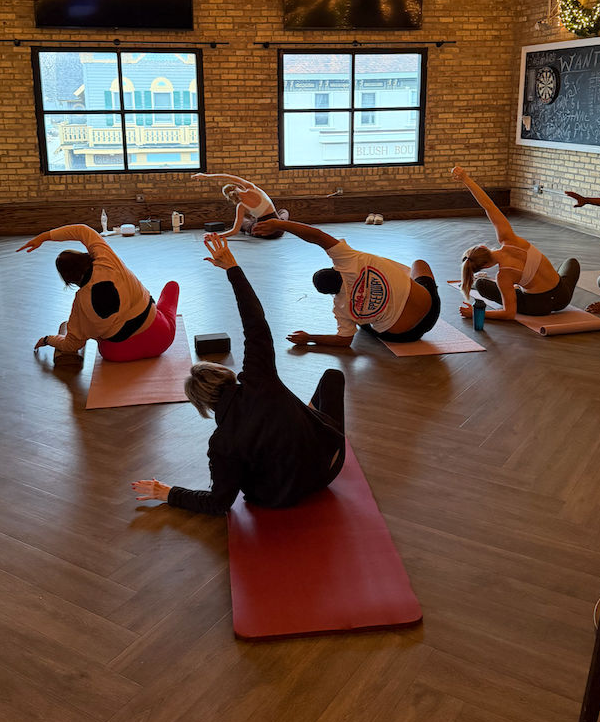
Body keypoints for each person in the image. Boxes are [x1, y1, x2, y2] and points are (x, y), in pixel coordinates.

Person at [132, 235, 345, 515]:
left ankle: (302, 421)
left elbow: (218, 503)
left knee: (263, 451)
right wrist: (232, 268)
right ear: (225, 375)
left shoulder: (222, 443)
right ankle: (304, 421)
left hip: (277, 497)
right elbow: (255, 321)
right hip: (330, 466)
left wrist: (170, 493)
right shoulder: (260, 378)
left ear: (204, 404)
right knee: (333, 376)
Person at [252, 217, 440, 345]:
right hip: (431, 307)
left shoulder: (341, 307)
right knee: (418, 263)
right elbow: (316, 236)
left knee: (360, 322)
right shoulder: (348, 259)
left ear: (331, 294)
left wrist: (310, 338)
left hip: (405, 336)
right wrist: (279, 223)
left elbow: (344, 341)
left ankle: (373, 316)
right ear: (335, 269)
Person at [18, 224, 179, 361]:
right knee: (172, 287)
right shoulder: (106, 259)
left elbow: (71, 345)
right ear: (86, 257)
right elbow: (82, 230)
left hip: (117, 353)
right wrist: (44, 237)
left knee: (97, 335)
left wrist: (48, 340)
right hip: (161, 337)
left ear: (69, 281)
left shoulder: (79, 305)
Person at [453, 165, 579, 320]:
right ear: (483, 246)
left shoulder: (503, 277)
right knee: (571, 263)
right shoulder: (510, 239)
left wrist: (476, 314)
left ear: (485, 267)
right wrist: (466, 178)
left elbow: (509, 313)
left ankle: (508, 286)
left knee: (481, 285)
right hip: (562, 297)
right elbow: (488, 206)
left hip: (536, 306)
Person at [192, 171, 286, 239]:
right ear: (236, 186)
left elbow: (234, 231)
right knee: (283, 212)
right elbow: (228, 176)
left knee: (243, 221)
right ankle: (281, 221)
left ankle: (250, 223)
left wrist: (215, 236)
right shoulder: (251, 188)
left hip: (261, 232)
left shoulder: (241, 206)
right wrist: (206, 176)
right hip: (278, 230)